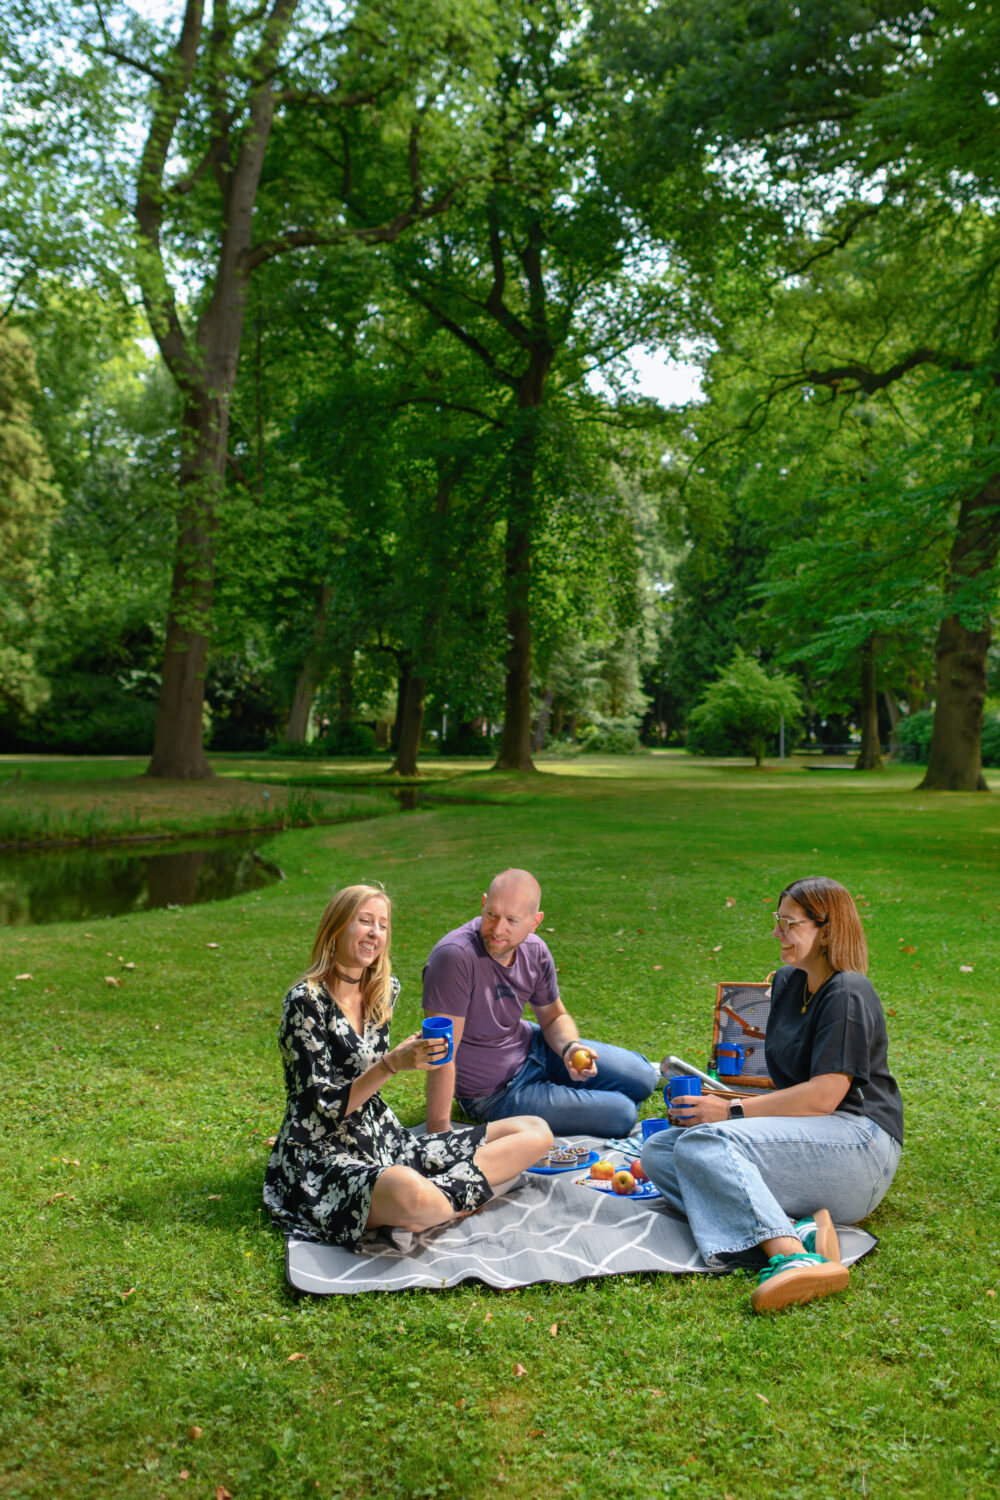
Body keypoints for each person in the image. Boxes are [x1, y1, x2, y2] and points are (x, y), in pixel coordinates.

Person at [642, 876, 903, 1314]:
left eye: (790, 923)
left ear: (827, 930)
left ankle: (793, 1258)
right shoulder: (788, 983)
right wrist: (720, 1103)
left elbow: (824, 1096)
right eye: (777, 920)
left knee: (709, 1141)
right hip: (812, 1141)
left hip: (862, 1146)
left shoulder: (849, 992)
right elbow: (786, 1089)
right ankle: (798, 1232)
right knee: (662, 1152)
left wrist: (731, 1112)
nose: (778, 932)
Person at [263, 883, 552, 1249]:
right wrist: (391, 1064)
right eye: (364, 921)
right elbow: (323, 1112)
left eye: (382, 925)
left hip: (384, 1139)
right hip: (321, 1156)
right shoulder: (305, 1003)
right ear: (335, 928)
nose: (375, 933)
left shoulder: (382, 991)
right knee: (406, 1187)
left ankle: (434, 1205)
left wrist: (410, 1054)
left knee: (535, 1132)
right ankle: (451, 1201)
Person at [422, 868, 659, 1137]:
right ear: (483, 904)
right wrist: (438, 1132)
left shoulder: (535, 950)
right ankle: (558, 1093)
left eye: (512, 920)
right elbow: (441, 1051)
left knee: (644, 1077)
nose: (498, 929)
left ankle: (557, 1086)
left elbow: (554, 1017)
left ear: (535, 921)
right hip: (495, 1092)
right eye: (491, 915)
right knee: (622, 1114)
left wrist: (570, 1048)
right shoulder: (454, 958)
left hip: (535, 1048)